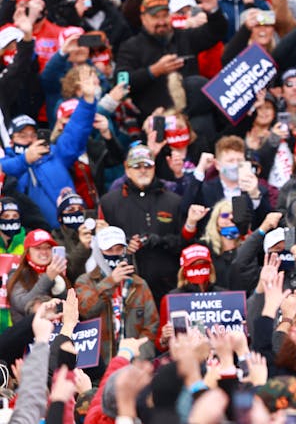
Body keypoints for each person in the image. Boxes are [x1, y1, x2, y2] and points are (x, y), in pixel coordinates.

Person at [0, 74, 97, 228]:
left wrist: (88, 102)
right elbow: (4, 170)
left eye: (32, 134)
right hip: (35, 237)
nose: (29, 139)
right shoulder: (7, 163)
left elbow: (74, 134)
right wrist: (24, 160)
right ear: (11, 140)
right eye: (22, 135)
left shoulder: (54, 154)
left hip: (72, 231)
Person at [116, 0, 228, 118]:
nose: (161, 22)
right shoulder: (131, 46)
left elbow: (217, 32)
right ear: (143, 19)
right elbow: (121, 81)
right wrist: (153, 71)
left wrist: (213, 11)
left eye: (165, 15)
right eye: (155, 17)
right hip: (154, 118)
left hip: (191, 116)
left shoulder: (185, 37)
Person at [99, 144, 185, 305]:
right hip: (127, 286)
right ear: (127, 169)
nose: (143, 170)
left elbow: (183, 242)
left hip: (167, 284)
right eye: (137, 166)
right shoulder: (109, 202)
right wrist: (125, 244)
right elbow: (100, 246)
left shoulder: (173, 201)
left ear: (154, 168)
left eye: (147, 165)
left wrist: (159, 240)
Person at [75, 226, 158, 364]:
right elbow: (86, 310)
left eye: (119, 249)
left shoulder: (139, 284)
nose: (114, 253)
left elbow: (151, 327)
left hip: (133, 365)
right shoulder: (85, 281)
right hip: (99, 366)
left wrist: (137, 359)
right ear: (98, 252)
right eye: (109, 250)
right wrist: (110, 282)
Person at [7, 229, 69, 322]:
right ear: (27, 252)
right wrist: (48, 278)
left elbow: (69, 308)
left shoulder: (58, 273)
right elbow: (22, 305)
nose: (44, 252)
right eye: (38, 248)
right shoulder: (17, 275)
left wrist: (60, 291)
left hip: (57, 332)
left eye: (48, 247)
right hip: (28, 334)